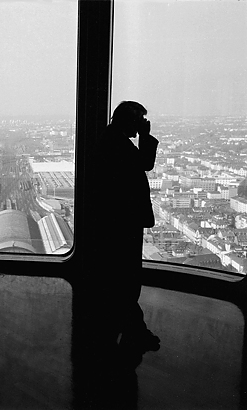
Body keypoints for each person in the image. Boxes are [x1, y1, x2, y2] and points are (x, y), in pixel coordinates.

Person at [90, 101, 161, 355]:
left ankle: (125, 329)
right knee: (127, 278)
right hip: (123, 221)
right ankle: (134, 332)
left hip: (116, 220)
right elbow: (145, 163)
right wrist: (146, 136)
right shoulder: (117, 143)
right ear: (129, 121)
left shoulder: (110, 139)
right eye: (139, 120)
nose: (142, 124)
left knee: (120, 278)